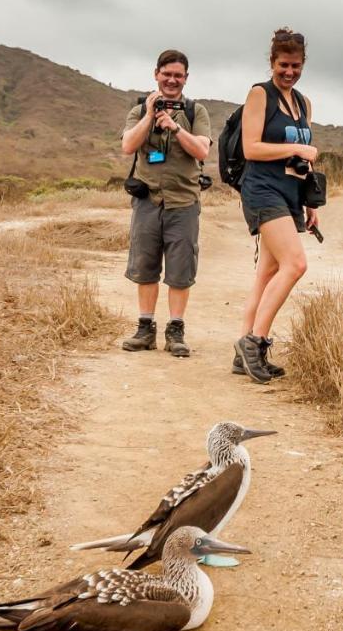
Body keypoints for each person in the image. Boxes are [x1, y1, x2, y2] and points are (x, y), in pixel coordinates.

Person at [232, 29, 318, 383]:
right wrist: (295, 149)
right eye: (284, 65)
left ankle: (243, 354)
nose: (289, 71)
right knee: (295, 264)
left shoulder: (303, 103)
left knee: (266, 275)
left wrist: (312, 202)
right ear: (272, 63)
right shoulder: (259, 95)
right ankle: (256, 342)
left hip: (291, 193)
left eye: (296, 66)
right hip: (262, 189)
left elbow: (305, 160)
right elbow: (252, 148)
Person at [119, 49, 212, 357]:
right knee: (144, 266)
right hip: (147, 201)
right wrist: (150, 116)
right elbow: (128, 145)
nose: (172, 80)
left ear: (186, 79)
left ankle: (176, 330)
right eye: (166, 74)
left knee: (180, 269)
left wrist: (176, 127)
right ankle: (145, 329)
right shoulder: (138, 108)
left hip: (183, 202)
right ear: (156, 74)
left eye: (178, 75)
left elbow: (202, 151)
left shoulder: (195, 111)